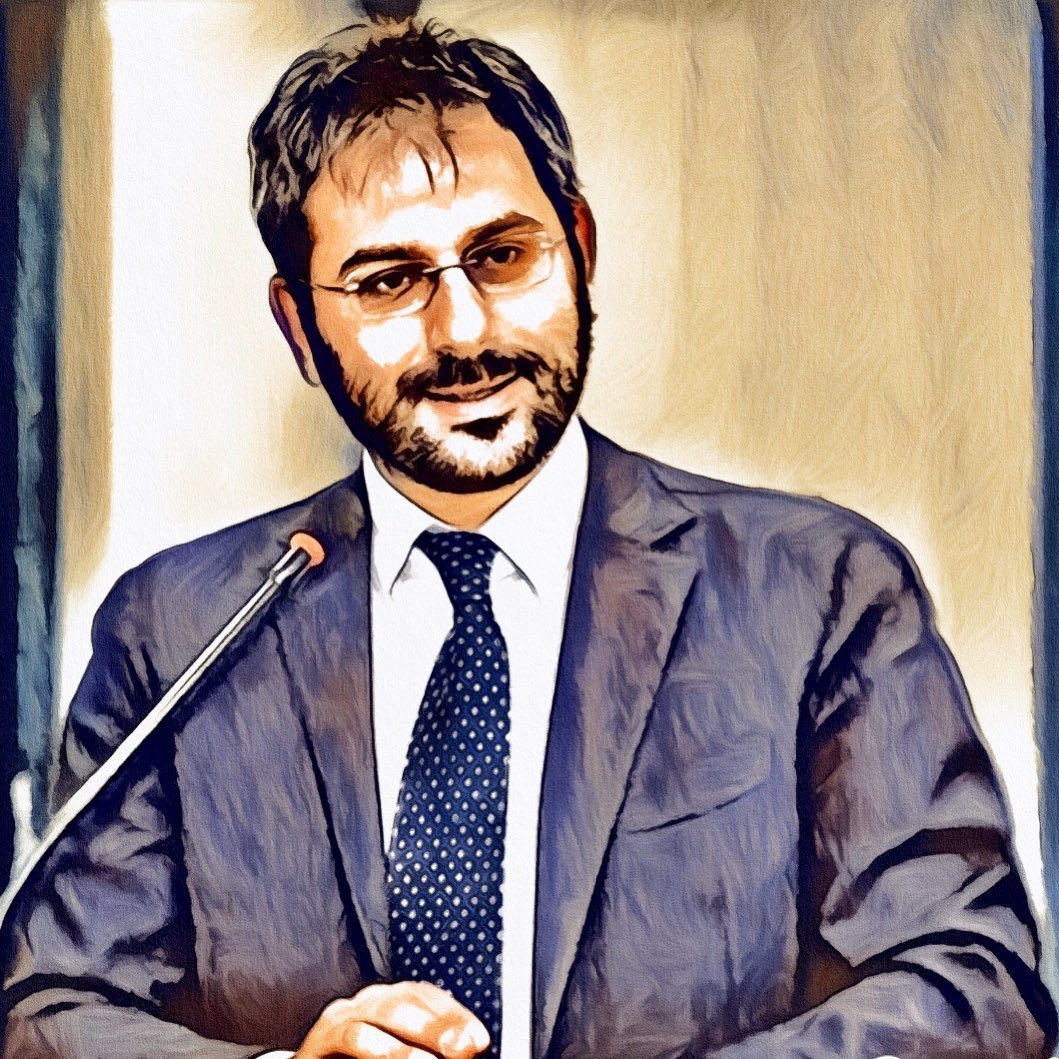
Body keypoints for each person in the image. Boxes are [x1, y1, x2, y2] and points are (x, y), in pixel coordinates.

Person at [2, 15, 1056, 1059]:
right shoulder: (174, 627)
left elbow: (972, 983)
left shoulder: (818, 589)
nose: (464, 331)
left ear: (579, 252)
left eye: (504, 256)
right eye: (388, 281)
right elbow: (45, 1010)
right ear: (300, 330)